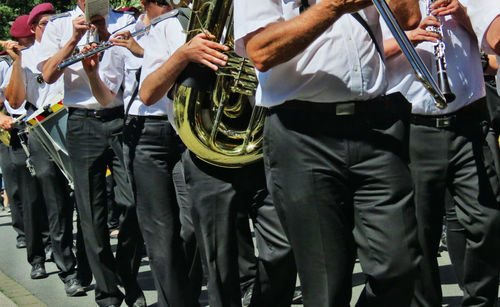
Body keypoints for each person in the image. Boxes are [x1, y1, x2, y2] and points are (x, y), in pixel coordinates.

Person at [234, 1, 422, 306]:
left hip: (374, 126)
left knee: (400, 266)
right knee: (325, 283)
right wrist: (334, 7)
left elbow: (410, 17)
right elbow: (261, 52)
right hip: (301, 133)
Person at [140, 2, 297, 307]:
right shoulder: (169, 28)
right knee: (220, 264)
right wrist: (184, 54)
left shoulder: (261, 12)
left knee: (285, 249)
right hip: (207, 158)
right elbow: (148, 93)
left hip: (261, 148)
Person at [81, 2, 203, 306]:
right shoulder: (125, 34)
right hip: (146, 132)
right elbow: (108, 97)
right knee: (161, 233)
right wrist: (93, 76)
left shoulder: (189, 21)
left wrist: (146, 53)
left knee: (194, 224)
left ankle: (180, 294)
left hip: (190, 129)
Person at [382, 0, 500, 305]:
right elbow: (355, 57)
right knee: (419, 237)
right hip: (412, 126)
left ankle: (481, 300)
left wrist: (462, 14)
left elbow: (494, 46)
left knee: (487, 222)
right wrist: (407, 39)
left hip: (469, 120)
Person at [37, 1, 144, 306]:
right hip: (82, 122)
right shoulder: (59, 26)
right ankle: (107, 291)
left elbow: (136, 67)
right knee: (91, 212)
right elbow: (47, 74)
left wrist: (108, 33)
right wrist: (72, 40)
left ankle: (126, 271)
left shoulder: (124, 21)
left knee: (133, 202)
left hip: (120, 118)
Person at [3, 3, 86, 297]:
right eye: (45, 24)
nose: (52, 27)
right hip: (42, 129)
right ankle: (67, 269)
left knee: (87, 200)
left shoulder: (70, 46)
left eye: (55, 22)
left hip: (76, 122)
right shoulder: (26, 57)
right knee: (55, 201)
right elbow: (14, 102)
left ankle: (88, 265)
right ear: (36, 27)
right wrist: (15, 64)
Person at [0, 14, 53, 280]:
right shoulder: (9, 64)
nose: (25, 45)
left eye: (28, 42)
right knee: (28, 197)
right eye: (21, 42)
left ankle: (56, 246)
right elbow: (11, 101)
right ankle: (37, 255)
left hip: (50, 129)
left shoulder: (50, 53)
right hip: (21, 132)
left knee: (54, 195)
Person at [0, 50, 25, 249]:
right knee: (14, 183)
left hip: (31, 122)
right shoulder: (3, 65)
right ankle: (23, 232)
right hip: (7, 130)